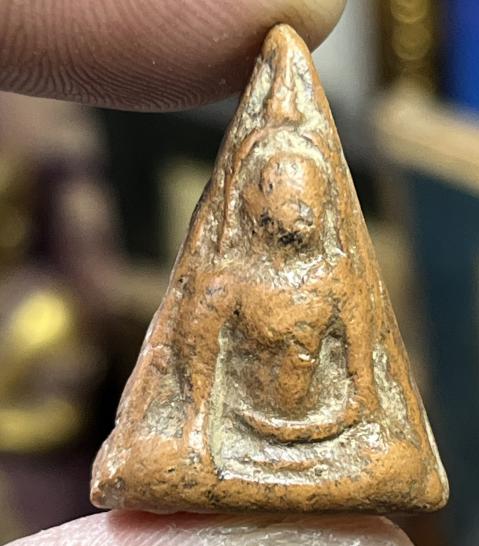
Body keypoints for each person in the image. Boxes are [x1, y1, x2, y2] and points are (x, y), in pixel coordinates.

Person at [0, 1, 411, 544]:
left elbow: (363, 391)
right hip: (233, 437)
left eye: (308, 193)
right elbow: (194, 394)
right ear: (255, 203)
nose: (299, 209)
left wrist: (330, 429)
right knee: (158, 462)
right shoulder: (225, 285)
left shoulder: (336, 280)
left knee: (396, 461)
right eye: (284, 192)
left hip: (318, 436)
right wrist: (199, 438)